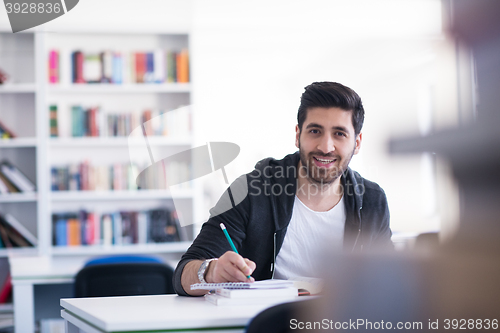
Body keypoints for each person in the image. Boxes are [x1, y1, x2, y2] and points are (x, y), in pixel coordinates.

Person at [173, 81, 392, 296]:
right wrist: (210, 272)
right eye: (315, 131)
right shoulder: (250, 190)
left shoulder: (372, 200)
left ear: (358, 142)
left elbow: (388, 282)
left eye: (339, 134)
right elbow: (183, 275)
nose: (326, 147)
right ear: (298, 135)